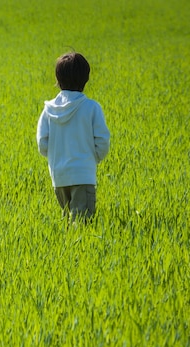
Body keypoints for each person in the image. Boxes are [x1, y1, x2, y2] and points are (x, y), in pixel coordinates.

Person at [37, 52, 110, 223]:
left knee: (67, 221)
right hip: (83, 174)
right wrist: (91, 159)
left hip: (59, 176)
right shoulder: (91, 108)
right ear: (86, 78)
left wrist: (56, 157)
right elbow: (102, 140)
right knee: (82, 224)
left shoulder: (48, 110)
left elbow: (42, 143)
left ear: (58, 78)